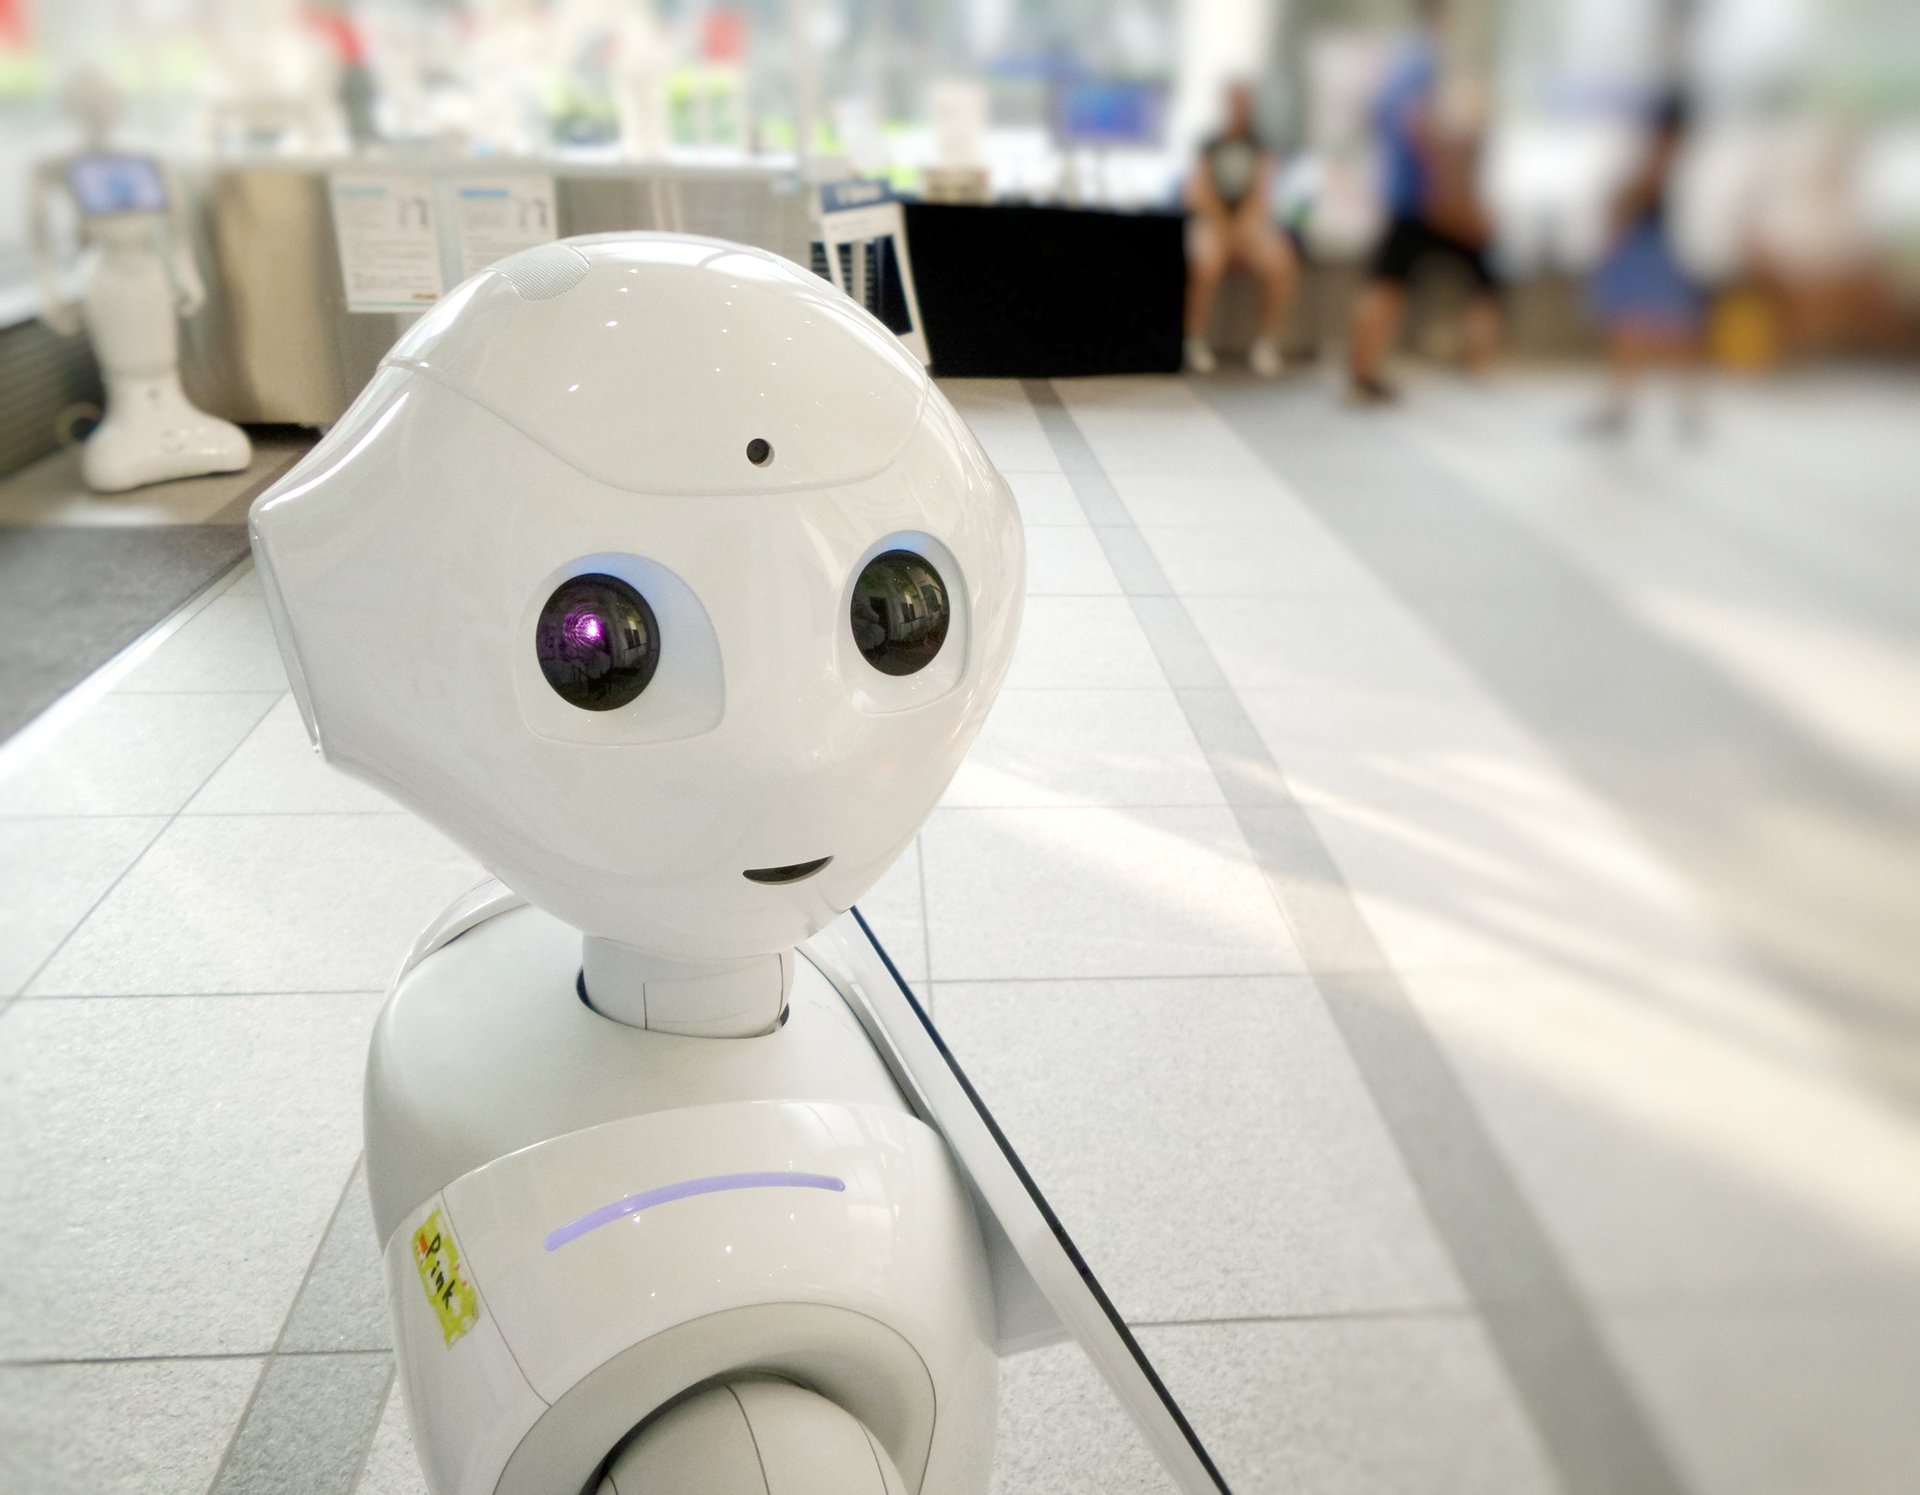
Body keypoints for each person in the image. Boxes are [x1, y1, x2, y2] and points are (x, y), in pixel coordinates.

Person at [1345, 4, 1501, 403]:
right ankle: (1363, 374)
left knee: (1389, 282)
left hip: (1402, 190)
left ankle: (1365, 372)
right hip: (1416, 197)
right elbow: (1418, 125)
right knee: (1388, 282)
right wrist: (1439, 188)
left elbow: (1374, 117)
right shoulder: (1422, 60)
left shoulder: (1398, 61)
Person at [1583, 95, 1706, 436]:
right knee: (1646, 331)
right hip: (1646, 247)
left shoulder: (1660, 159)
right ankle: (1631, 407)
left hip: (1645, 249)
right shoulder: (1663, 156)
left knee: (1651, 329)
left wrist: (1617, 227)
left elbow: (1638, 198)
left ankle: (1643, 408)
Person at [1183, 82, 1298, 377]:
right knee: (1205, 261)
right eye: (1234, 102)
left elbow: (1262, 194)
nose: (1239, 108)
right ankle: (1194, 338)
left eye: (1244, 102)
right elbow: (1197, 191)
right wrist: (1223, 225)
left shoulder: (1261, 145)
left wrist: (1243, 227)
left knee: (1280, 261)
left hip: (1249, 225)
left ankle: (1266, 343)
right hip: (1213, 222)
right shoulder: (1209, 144)